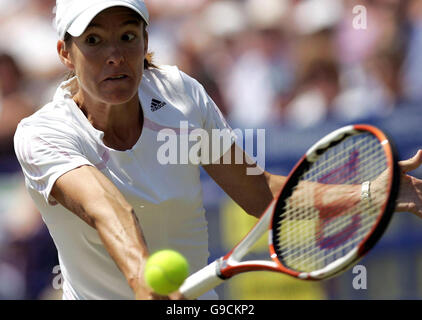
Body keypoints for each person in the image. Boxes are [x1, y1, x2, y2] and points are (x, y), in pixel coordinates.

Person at [13, 0, 422, 300]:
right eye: (94, 41)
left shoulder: (180, 97)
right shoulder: (42, 134)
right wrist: (146, 283)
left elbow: (261, 195)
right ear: (65, 53)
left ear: (144, 42)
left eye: (127, 36)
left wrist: (371, 195)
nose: (115, 56)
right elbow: (107, 207)